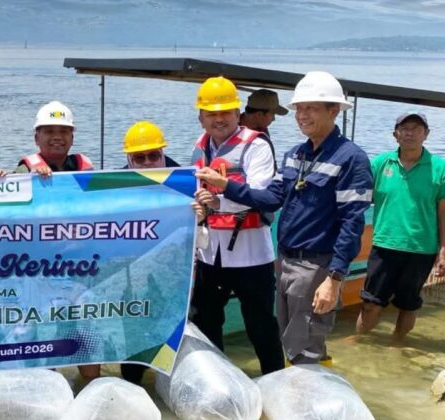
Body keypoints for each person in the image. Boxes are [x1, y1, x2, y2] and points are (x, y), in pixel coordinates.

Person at [196, 70, 373, 366]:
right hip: (287, 261)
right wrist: (220, 196)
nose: (302, 115)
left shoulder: (351, 158)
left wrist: (335, 278)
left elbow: (352, 223)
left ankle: (311, 403)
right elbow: (269, 199)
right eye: (299, 109)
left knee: (306, 347)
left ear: (334, 110)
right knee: (290, 339)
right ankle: (291, 400)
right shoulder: (296, 155)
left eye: (311, 108)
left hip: (317, 265)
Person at [189, 77, 284, 375]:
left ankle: (275, 379)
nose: (219, 119)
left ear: (237, 112)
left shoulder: (256, 146)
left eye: (225, 112)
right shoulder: (199, 147)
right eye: (211, 113)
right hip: (209, 254)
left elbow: (261, 194)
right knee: (206, 321)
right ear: (201, 117)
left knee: (260, 324)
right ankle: (218, 382)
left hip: (251, 254)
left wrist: (220, 195)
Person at [17, 102, 96, 379]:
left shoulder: (87, 169)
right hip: (40, 271)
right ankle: (44, 388)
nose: (57, 136)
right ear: (36, 137)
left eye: (63, 131)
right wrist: (33, 185)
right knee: (41, 334)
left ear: (72, 136)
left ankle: (92, 391)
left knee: (85, 332)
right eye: (49, 131)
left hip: (79, 268)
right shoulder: (25, 171)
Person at [356, 112, 445, 341]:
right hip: (384, 244)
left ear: (426, 134)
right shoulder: (380, 163)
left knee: (408, 304)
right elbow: (358, 199)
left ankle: (398, 343)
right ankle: (359, 342)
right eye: (404, 128)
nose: (410, 133)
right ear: (395, 134)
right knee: (370, 303)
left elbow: (443, 213)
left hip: (421, 248)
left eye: (417, 128)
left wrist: (443, 249)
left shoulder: (439, 167)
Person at [119, 121, 178, 385]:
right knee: (132, 342)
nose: (147, 162)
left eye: (154, 155)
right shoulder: (113, 186)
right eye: (139, 157)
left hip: (172, 274)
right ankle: (134, 392)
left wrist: (202, 213)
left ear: (163, 153)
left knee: (171, 339)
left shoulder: (184, 179)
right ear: (129, 159)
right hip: (133, 276)